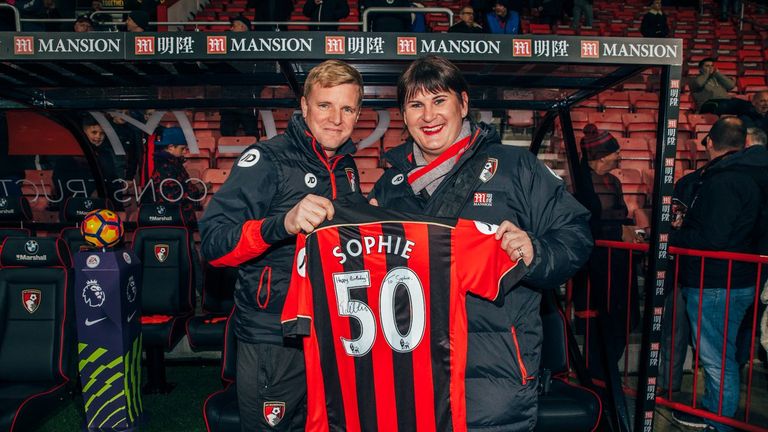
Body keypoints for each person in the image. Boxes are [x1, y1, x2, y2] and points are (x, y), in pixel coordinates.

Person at [369, 56, 593, 431]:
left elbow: (575, 232)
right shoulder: (389, 188)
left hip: (494, 382)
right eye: (416, 104)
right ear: (403, 116)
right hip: (409, 380)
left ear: (464, 103)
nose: (428, 116)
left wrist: (536, 251)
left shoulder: (516, 167)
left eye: (439, 101)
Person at [199, 60, 364, 432]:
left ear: (358, 113)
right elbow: (212, 243)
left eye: (347, 108)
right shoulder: (267, 159)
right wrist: (282, 224)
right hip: (274, 337)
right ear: (304, 106)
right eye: (325, 105)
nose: (336, 118)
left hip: (335, 333)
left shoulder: (347, 167)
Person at [669, 117, 768, 431]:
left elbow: (712, 238)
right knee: (722, 356)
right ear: (743, 144)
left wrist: (671, 238)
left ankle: (718, 422)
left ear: (709, 143)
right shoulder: (744, 175)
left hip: (716, 282)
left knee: (716, 360)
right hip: (736, 278)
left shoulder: (724, 180)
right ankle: (715, 414)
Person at [572, 123, 641, 380]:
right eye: (615, 153)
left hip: (618, 264)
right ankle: (596, 379)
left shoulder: (612, 182)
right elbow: (582, 224)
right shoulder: (577, 184)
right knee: (596, 325)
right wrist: (616, 233)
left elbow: (620, 216)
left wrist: (629, 231)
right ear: (600, 157)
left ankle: (607, 375)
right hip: (593, 267)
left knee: (619, 324)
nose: (619, 156)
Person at [148, 127, 206, 229]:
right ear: (171, 147)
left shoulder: (173, 164)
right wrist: (197, 189)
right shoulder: (166, 167)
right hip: (174, 220)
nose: (184, 152)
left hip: (178, 219)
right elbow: (173, 196)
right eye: (182, 148)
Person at [219, 15, 261, 138]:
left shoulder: (255, 46)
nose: (231, 29)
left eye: (235, 25)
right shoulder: (225, 45)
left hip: (247, 102)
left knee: (252, 135)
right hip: (227, 101)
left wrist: (254, 91)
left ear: (244, 27)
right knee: (226, 136)